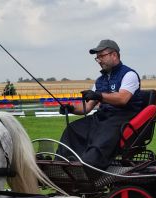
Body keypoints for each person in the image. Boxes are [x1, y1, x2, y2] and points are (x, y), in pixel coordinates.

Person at [57, 39, 144, 169]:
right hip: (102, 118)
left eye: (101, 56)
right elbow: (87, 107)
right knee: (72, 129)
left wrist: (99, 95)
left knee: (100, 139)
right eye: (97, 58)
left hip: (121, 119)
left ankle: (89, 168)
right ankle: (61, 165)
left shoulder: (129, 75)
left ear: (114, 55)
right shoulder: (100, 80)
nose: (99, 60)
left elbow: (122, 99)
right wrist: (71, 108)